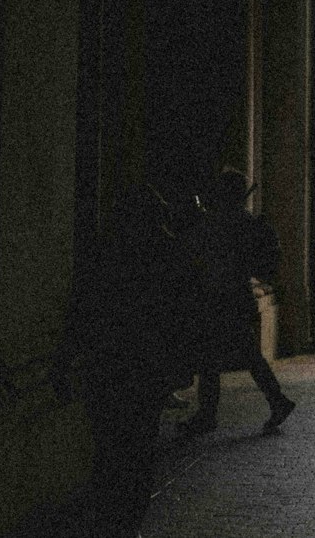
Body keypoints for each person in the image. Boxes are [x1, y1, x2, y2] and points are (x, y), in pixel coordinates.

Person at [50, 184, 204, 538]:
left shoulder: (103, 255)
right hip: (146, 370)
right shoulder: (169, 254)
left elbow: (80, 312)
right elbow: (183, 316)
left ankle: (111, 522)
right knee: (139, 452)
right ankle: (128, 523)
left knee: (108, 451)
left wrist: (62, 362)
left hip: (106, 368)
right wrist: (181, 367)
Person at [179, 168, 295, 437]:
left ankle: (209, 415)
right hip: (238, 296)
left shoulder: (219, 221)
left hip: (220, 296)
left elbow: (198, 252)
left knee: (211, 359)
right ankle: (276, 400)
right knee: (248, 356)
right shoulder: (244, 221)